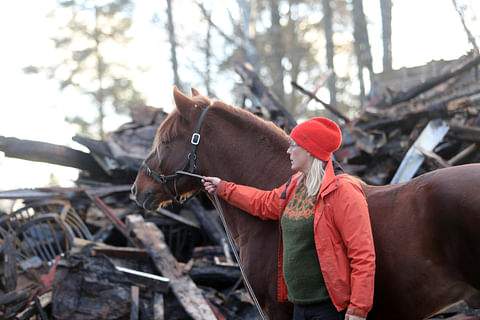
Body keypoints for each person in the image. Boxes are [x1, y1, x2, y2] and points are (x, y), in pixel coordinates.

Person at [202, 117, 375, 320]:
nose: (288, 150)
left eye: (294, 145)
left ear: (310, 150)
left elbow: (363, 254)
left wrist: (358, 309)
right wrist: (223, 187)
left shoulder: (343, 191)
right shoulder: (296, 185)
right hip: (298, 306)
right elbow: (264, 203)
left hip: (329, 309)